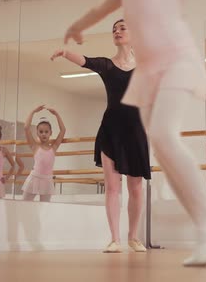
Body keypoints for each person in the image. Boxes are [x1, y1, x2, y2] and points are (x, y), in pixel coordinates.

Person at [61, 0, 206, 266]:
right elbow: (101, 7)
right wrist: (78, 26)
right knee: (162, 145)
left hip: (175, 59)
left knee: (163, 135)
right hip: (149, 72)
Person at [51, 19, 150, 253]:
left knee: (135, 189)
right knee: (112, 187)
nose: (117, 31)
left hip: (135, 130)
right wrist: (66, 52)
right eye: (114, 29)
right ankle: (114, 239)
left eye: (122, 28)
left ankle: (133, 237)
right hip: (111, 130)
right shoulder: (107, 65)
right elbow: (86, 61)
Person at [22, 106, 66, 202]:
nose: (44, 134)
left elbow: (63, 130)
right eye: (41, 132)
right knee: (24, 203)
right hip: (34, 178)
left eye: (46, 132)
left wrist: (56, 114)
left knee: (45, 208)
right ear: (37, 133)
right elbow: (26, 128)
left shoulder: (53, 148)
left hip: (47, 180)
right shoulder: (35, 146)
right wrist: (33, 111)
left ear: (50, 133)